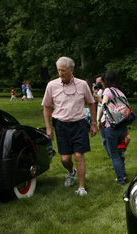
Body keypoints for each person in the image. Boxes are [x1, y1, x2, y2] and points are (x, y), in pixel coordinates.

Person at [42, 56, 97, 196]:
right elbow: (47, 106)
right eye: (59, 70)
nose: (61, 73)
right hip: (60, 125)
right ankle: (71, 172)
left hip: (79, 124)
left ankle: (81, 188)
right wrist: (48, 127)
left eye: (64, 70)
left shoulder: (82, 84)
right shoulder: (52, 85)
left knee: (79, 155)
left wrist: (93, 123)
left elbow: (91, 103)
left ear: (71, 70)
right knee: (65, 159)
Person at [96, 70, 130, 184]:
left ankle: (120, 179)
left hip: (111, 127)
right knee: (119, 152)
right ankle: (123, 173)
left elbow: (104, 104)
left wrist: (98, 119)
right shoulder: (121, 92)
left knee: (114, 154)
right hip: (122, 127)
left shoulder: (108, 91)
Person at [92, 73, 109, 157]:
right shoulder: (100, 91)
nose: (98, 84)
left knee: (109, 140)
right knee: (104, 140)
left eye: (99, 82)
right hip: (101, 118)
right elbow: (93, 101)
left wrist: (97, 97)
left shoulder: (108, 91)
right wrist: (95, 92)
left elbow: (105, 103)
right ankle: (111, 156)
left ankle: (114, 156)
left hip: (108, 119)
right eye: (96, 82)